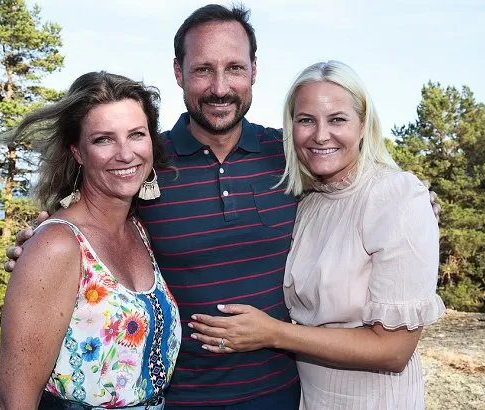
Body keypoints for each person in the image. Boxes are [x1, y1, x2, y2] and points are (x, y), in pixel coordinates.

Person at [5, 5, 440, 409]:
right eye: (202, 70)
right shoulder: (147, 164)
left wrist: (415, 204)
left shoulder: (289, 156)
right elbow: (92, 221)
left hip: (285, 396)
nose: (219, 87)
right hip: (178, 400)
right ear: (179, 73)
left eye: (234, 68)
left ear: (254, 71)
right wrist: (42, 241)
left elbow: (355, 190)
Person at [189, 61, 445, 409]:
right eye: (306, 120)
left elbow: (393, 351)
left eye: (337, 119)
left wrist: (273, 334)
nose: (320, 134)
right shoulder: (308, 200)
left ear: (362, 125)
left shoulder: (396, 197)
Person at [0, 72, 181, 410]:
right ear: (77, 152)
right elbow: (13, 399)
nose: (125, 154)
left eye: (136, 135)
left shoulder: (138, 231)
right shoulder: (58, 244)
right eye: (103, 140)